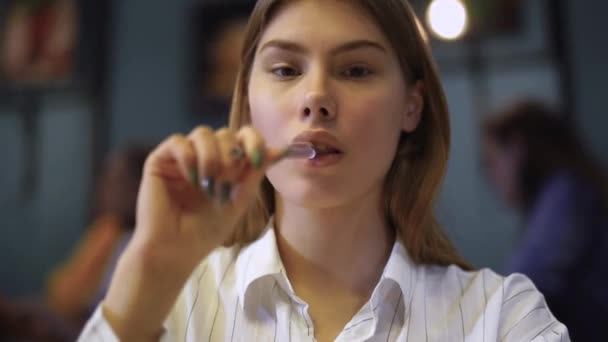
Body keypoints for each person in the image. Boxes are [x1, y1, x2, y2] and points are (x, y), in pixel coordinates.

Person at [79, 1, 569, 341]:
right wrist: (147, 272)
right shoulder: (168, 307)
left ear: (411, 107)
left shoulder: (504, 320)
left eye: (356, 70)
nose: (315, 98)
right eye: (286, 70)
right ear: (248, 106)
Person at [482, 100, 607, 341]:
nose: (491, 177)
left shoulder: (566, 193)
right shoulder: (565, 192)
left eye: (491, 162)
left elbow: (529, 281)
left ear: (517, 148)